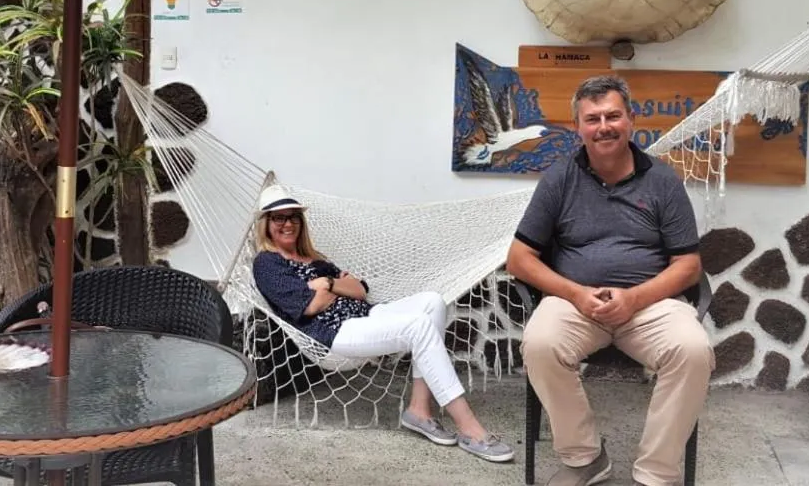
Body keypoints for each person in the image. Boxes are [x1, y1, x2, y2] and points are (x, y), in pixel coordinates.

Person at [506, 75, 715, 486]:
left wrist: (633, 299)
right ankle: (585, 459)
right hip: (575, 303)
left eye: (613, 116)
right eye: (593, 118)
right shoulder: (559, 178)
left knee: (692, 350)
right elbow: (519, 258)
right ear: (578, 127)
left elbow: (688, 265)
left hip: (649, 304)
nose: (604, 126)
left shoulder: (662, 181)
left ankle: (656, 474)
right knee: (540, 343)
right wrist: (576, 294)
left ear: (631, 120)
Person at [250, 184, 514, 463]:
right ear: (267, 224)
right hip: (332, 333)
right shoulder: (267, 263)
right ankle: (468, 426)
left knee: (433, 301)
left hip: (366, 314)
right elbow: (310, 306)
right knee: (417, 326)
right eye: (279, 217)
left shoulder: (316, 261)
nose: (288, 224)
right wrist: (335, 289)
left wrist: (326, 283)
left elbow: (359, 289)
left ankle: (419, 409)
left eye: (293, 217)